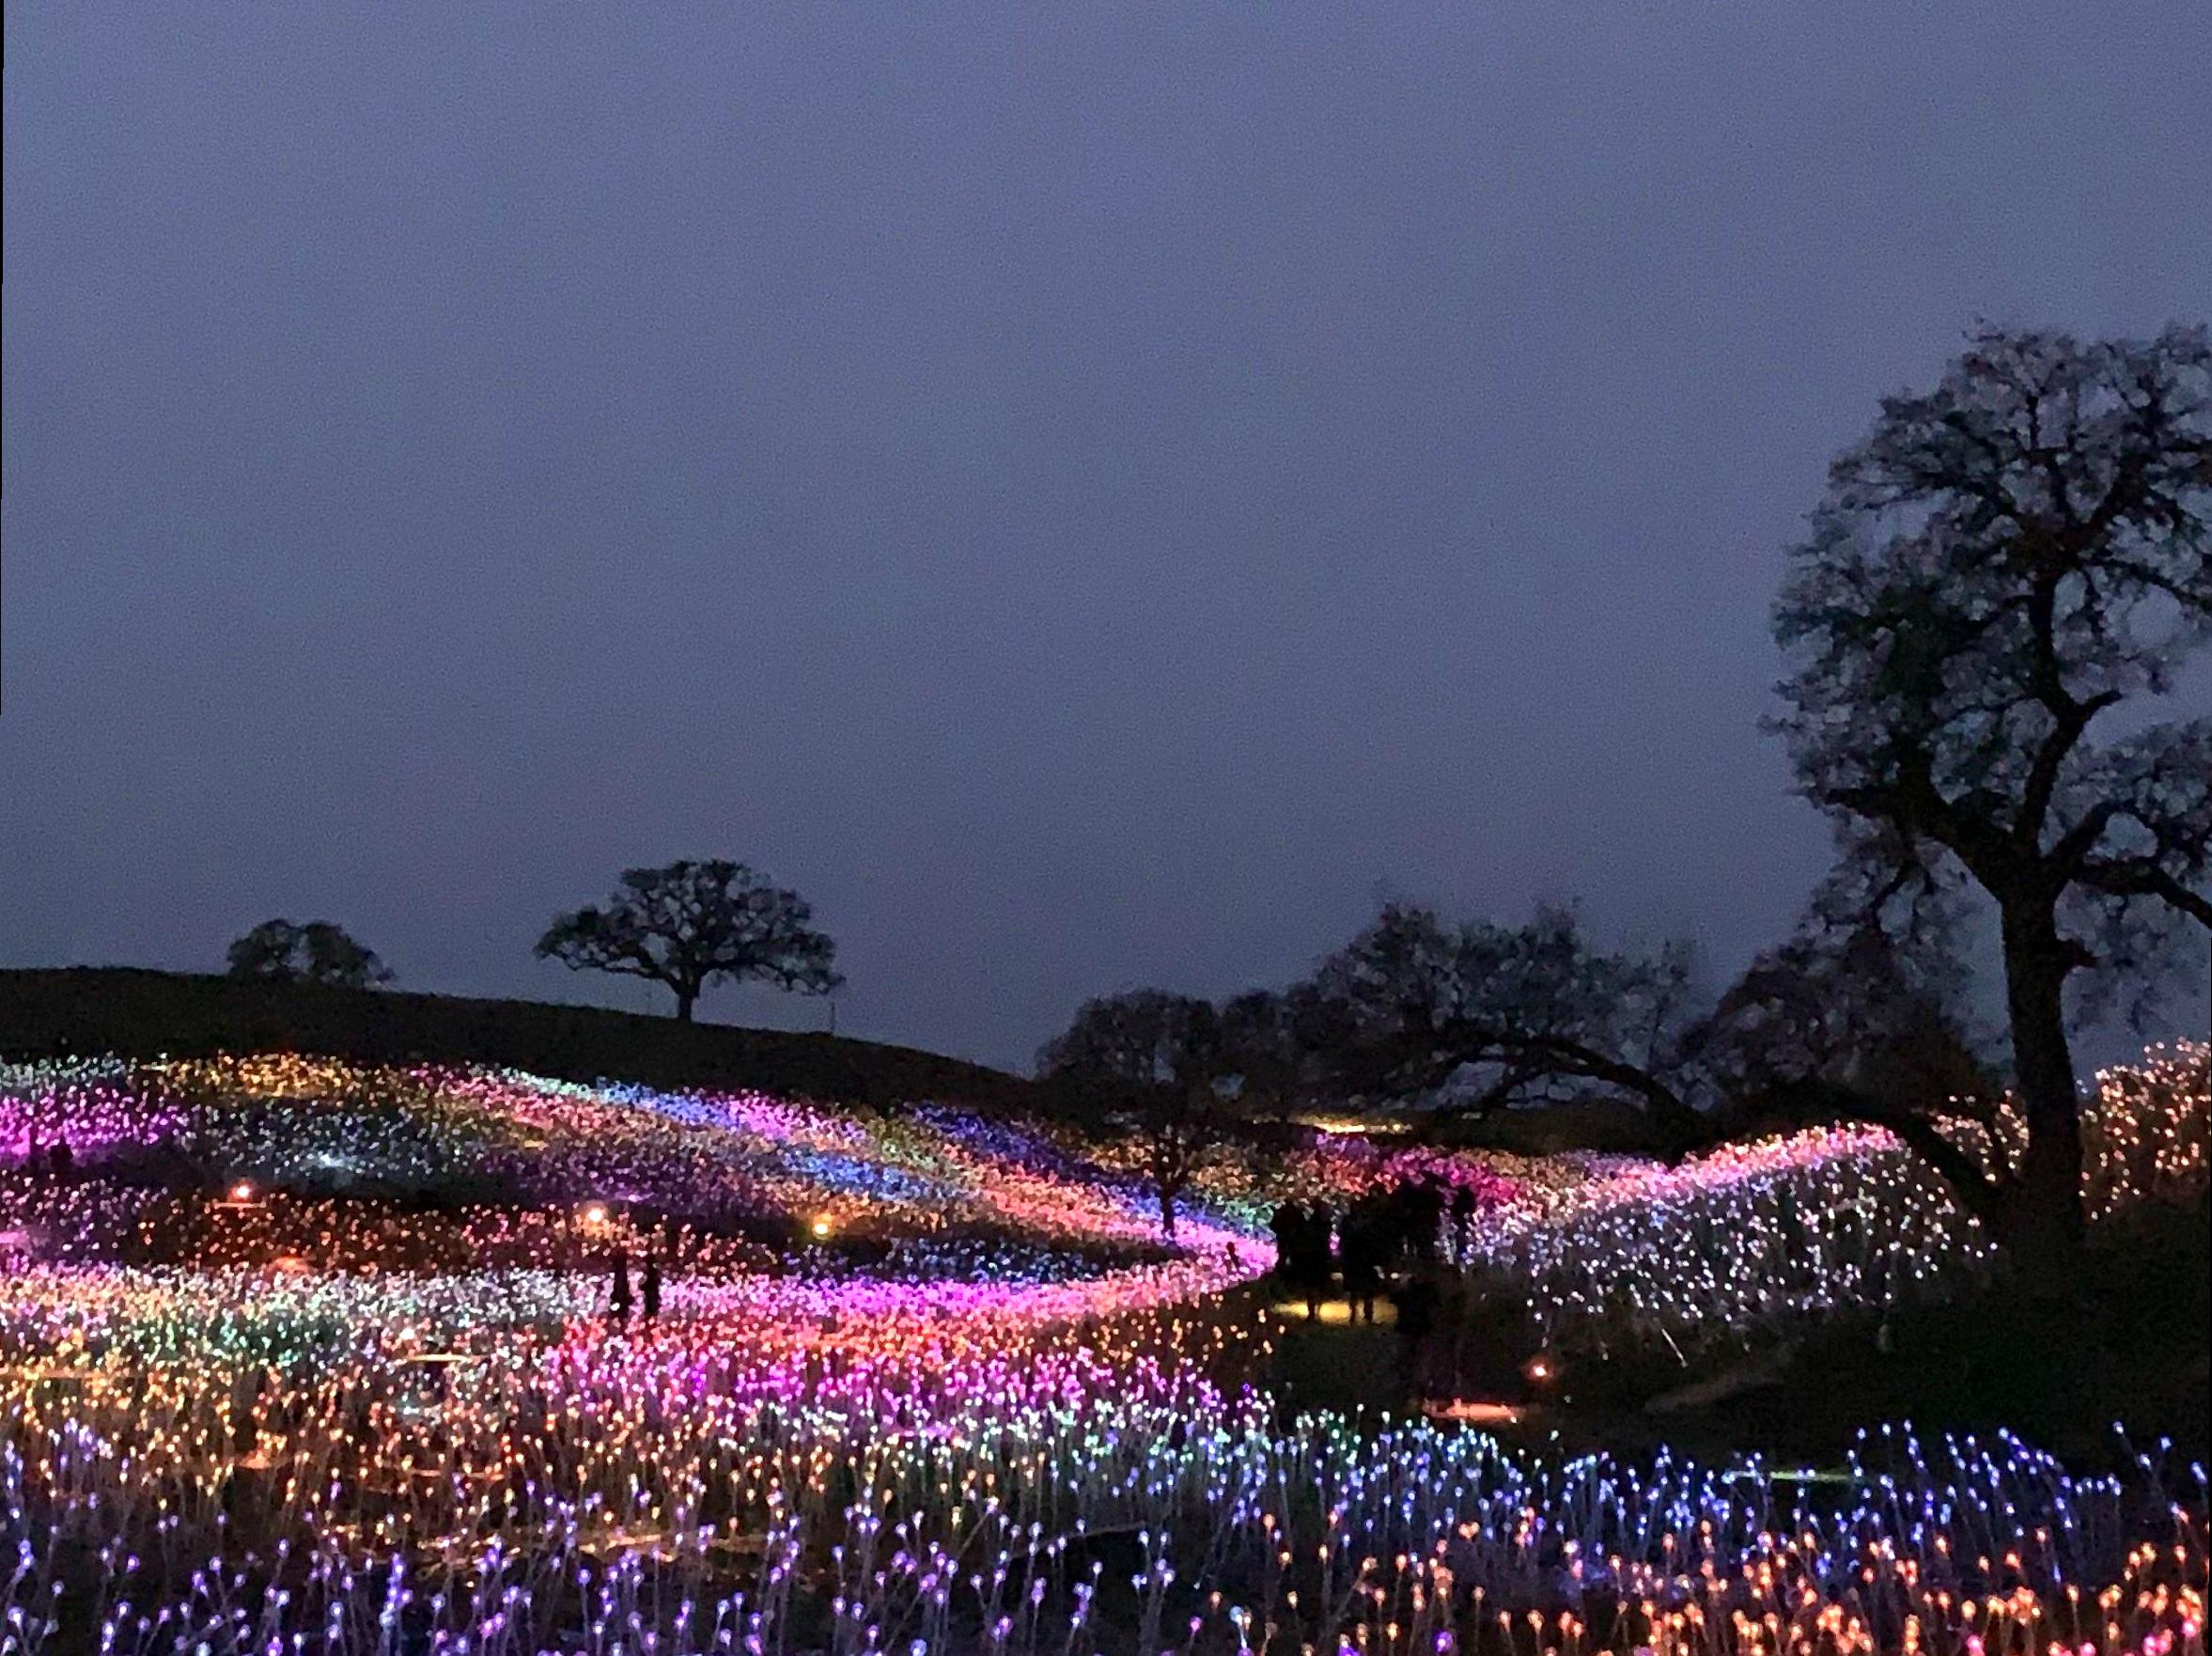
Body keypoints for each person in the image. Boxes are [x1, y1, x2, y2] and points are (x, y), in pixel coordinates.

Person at [609, 1249, 633, 1325]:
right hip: (623, 1292)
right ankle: (621, 1257)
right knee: (622, 1275)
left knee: (619, 1276)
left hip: (618, 1293)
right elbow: (629, 1301)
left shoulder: (615, 1314)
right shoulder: (625, 1313)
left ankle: (618, 1258)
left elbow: (612, 1306)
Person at [641, 1250, 662, 1322]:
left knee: (650, 1304)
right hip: (651, 1291)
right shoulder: (652, 1270)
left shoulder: (650, 1271)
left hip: (651, 1291)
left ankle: (651, 1315)